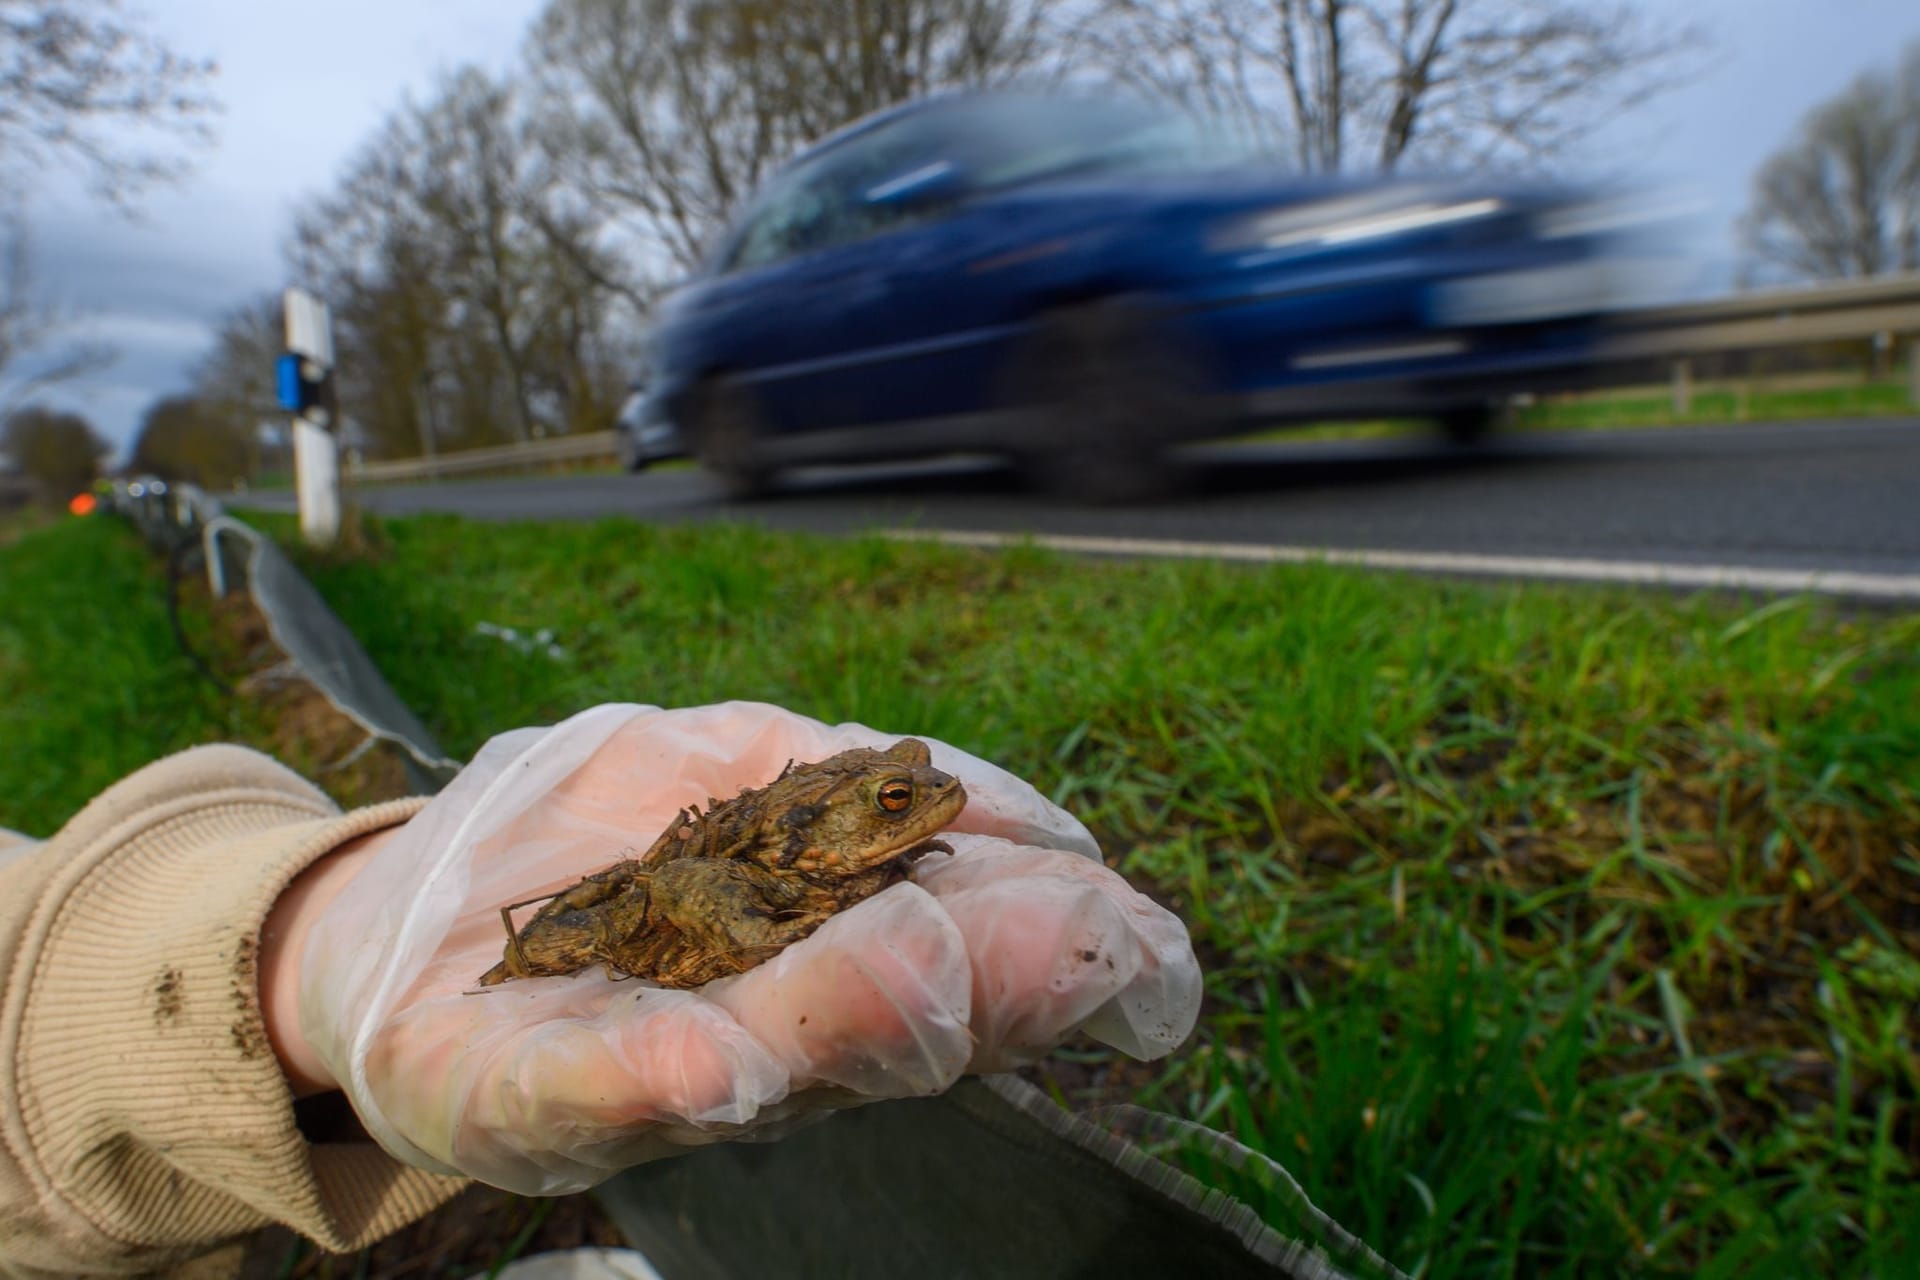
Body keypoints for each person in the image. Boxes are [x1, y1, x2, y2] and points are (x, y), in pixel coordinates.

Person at [0, 702, 1202, 1279]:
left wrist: (284, 930)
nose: (923, 807)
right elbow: (701, 890)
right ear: (841, 825)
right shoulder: (785, 855)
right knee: (663, 929)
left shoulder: (848, 820)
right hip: (687, 891)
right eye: (895, 804)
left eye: (912, 792)